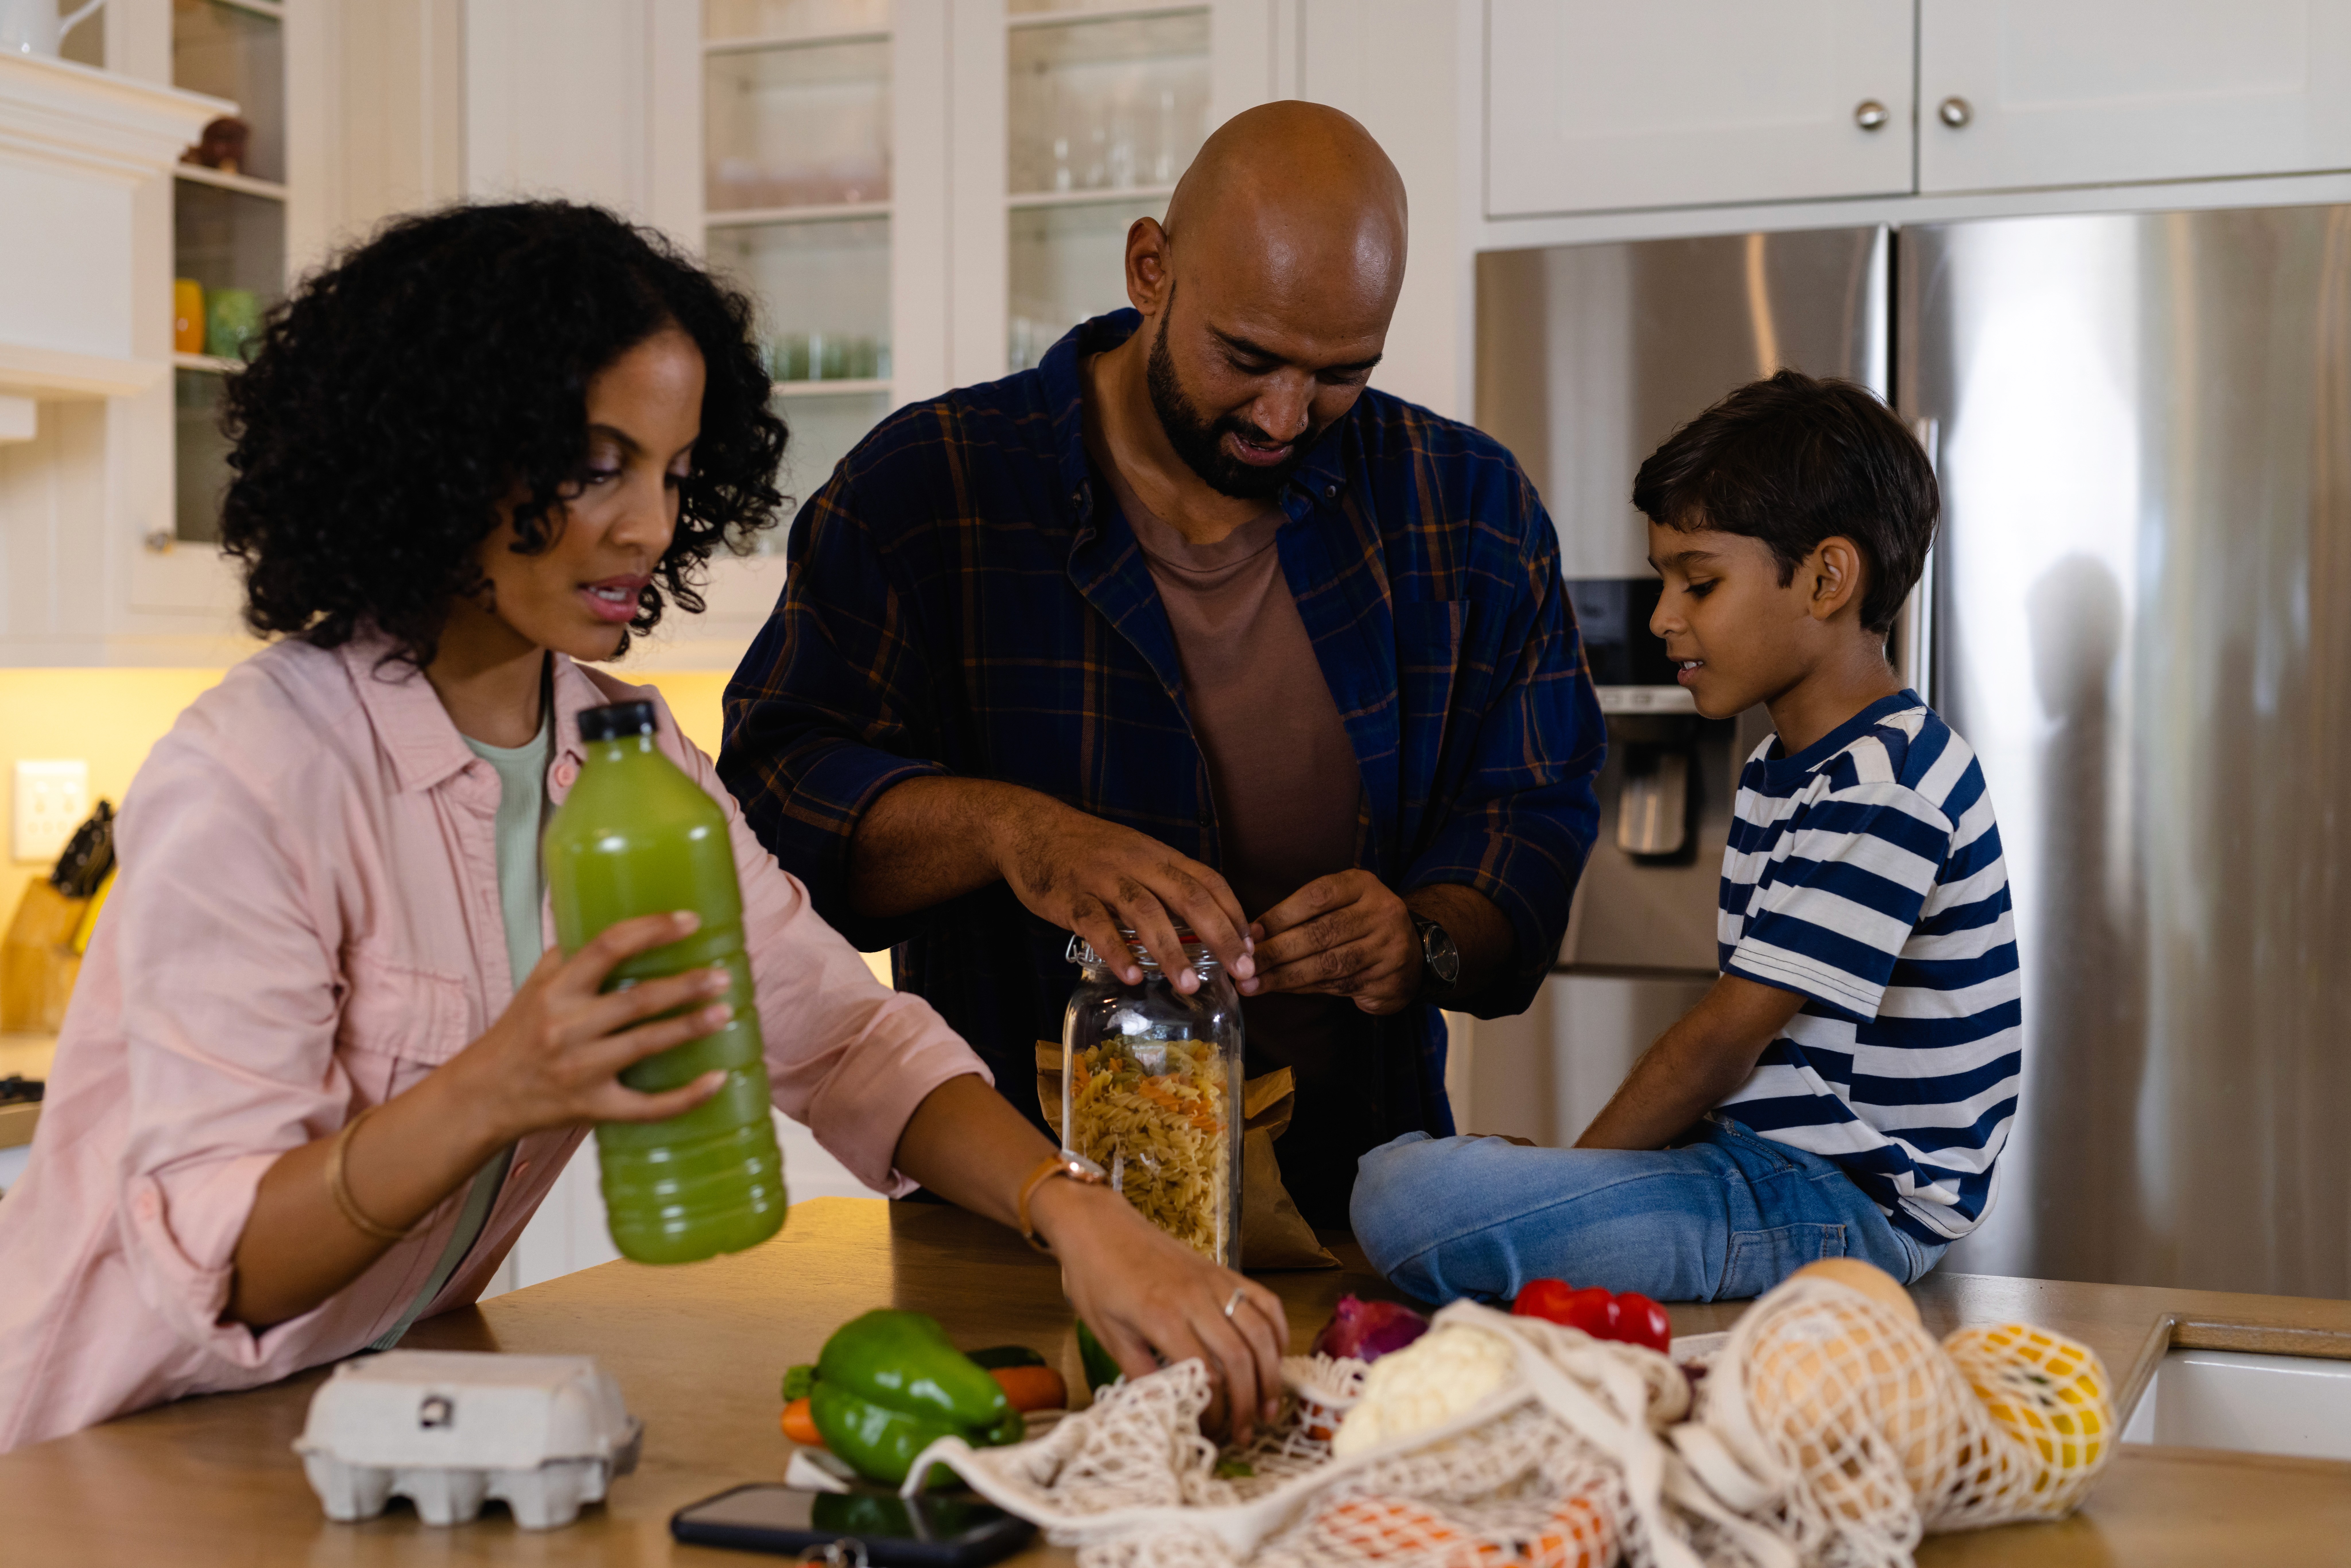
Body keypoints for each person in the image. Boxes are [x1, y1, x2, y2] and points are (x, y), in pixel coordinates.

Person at [0, 203, 1286, 1455]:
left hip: (347, 1422)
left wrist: (1079, 1215)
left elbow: (843, 1042)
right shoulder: (257, 773)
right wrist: (498, 1086)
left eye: (673, 474)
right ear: (442, 450)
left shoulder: (621, 748)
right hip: (95, 1444)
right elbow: (228, 1263)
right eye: (594, 466)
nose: (649, 525)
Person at [720, 104, 1603, 1226]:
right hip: (1022, 1219)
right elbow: (771, 809)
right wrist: (1012, 831)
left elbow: (1535, 813)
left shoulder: (1463, 506)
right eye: (1247, 358)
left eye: (1340, 374)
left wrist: (1418, 937)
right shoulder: (931, 488)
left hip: (1366, 1218)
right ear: (1150, 268)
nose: (1285, 415)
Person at [1350, 371, 2021, 1303]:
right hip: (1762, 1169)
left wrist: (1579, 1179)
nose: (1664, 616)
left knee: (1406, 1201)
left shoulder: (1888, 782)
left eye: (1697, 582)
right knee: (1399, 1178)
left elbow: (1717, 1045)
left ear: (1828, 579)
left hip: (1844, 1209)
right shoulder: (1785, 768)